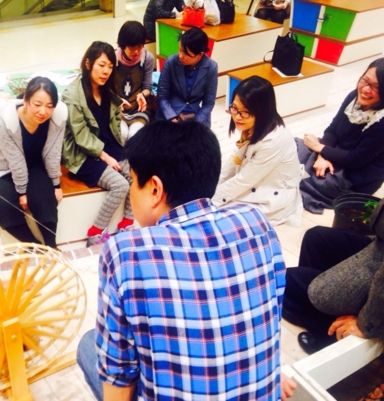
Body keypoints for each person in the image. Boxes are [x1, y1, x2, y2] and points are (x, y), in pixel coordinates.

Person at [76, 120, 290, 400]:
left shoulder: (125, 252)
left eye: (133, 182)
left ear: (155, 189)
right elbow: (270, 318)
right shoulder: (256, 223)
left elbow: (119, 376)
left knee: (89, 344)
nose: (130, 190)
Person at [283, 198, 384, 354]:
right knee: (316, 238)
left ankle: (331, 336)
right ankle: (316, 311)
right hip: (378, 248)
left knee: (288, 280)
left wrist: (367, 324)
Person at [62, 41, 134, 247]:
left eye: (110, 67)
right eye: (101, 65)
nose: (106, 71)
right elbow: (80, 136)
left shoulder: (106, 90)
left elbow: (113, 123)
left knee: (135, 173)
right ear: (88, 64)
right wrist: (105, 156)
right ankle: (95, 233)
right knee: (120, 185)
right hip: (82, 155)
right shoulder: (72, 95)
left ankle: (127, 223)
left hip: (107, 147)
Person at [0, 77, 67, 249]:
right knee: (2, 206)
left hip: (34, 165)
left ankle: (51, 247)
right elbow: (15, 160)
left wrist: (56, 184)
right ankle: (34, 247)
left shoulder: (58, 117)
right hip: (3, 168)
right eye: (37, 104)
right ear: (25, 100)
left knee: (45, 199)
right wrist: (22, 191)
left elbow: (54, 152)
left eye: (50, 106)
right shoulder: (6, 120)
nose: (43, 111)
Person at [212, 76, 304, 226]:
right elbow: (234, 160)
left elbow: (244, 180)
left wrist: (211, 199)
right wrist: (212, 187)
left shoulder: (273, 140)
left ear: (262, 111)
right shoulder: (254, 126)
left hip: (272, 196)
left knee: (220, 219)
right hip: (254, 181)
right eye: (234, 108)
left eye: (245, 112)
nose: (237, 116)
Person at [297, 58, 384, 214]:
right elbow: (332, 130)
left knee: (301, 178)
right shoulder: (353, 97)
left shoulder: (381, 122)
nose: (366, 89)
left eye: (376, 87)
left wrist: (319, 148)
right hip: (334, 155)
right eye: (365, 80)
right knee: (291, 147)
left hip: (352, 177)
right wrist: (321, 156)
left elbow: (355, 160)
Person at [156, 27, 218, 127]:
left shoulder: (211, 67)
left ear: (200, 55)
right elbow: (162, 96)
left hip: (196, 116)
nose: (181, 56)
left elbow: (208, 103)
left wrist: (196, 123)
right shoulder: (171, 62)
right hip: (171, 114)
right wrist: (171, 117)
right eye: (180, 50)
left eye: (186, 53)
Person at [114, 21, 154, 143]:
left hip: (139, 110)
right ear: (122, 45)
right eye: (132, 47)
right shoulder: (113, 58)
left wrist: (142, 94)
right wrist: (116, 100)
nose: (136, 51)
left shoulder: (147, 58)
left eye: (140, 46)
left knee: (134, 135)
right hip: (117, 109)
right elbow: (106, 88)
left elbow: (147, 87)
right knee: (122, 134)